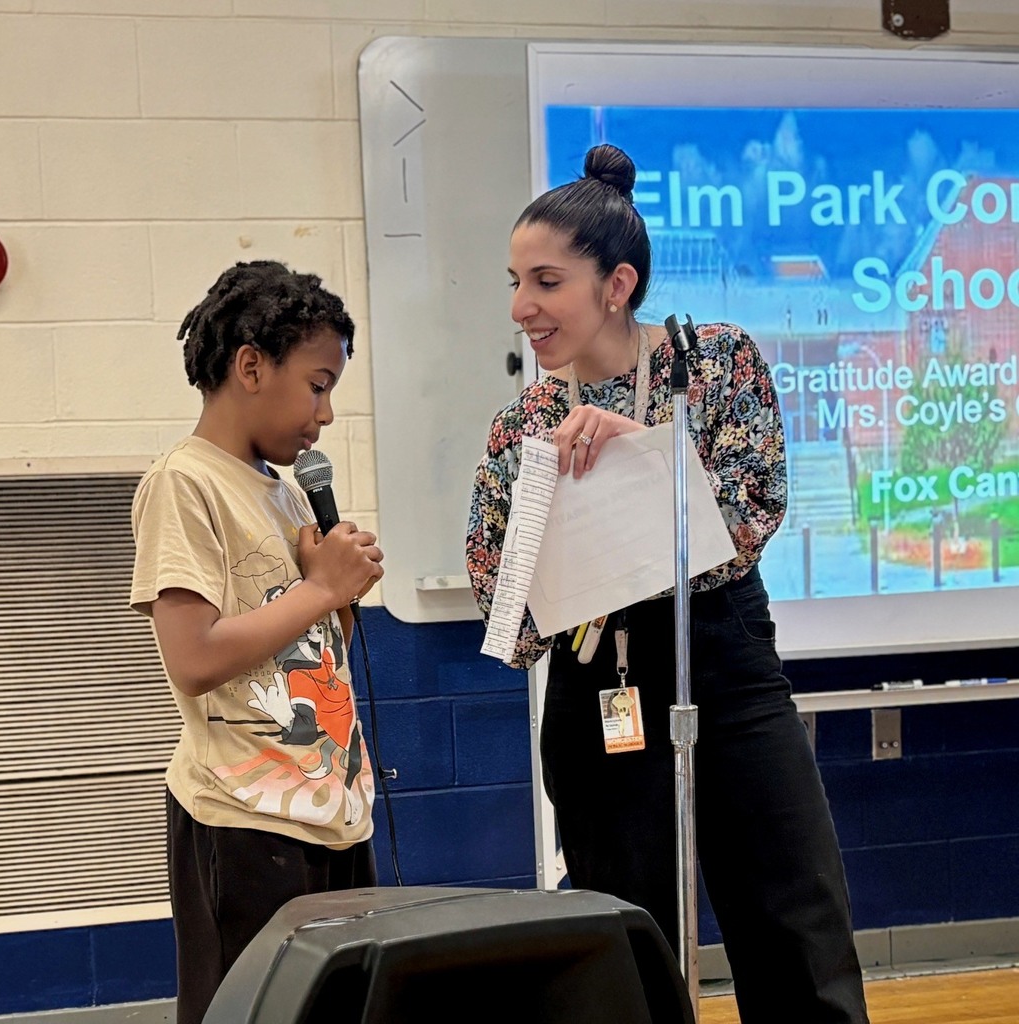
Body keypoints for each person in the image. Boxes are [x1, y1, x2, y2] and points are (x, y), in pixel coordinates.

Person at [465, 145, 869, 1023]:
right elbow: (498, 595)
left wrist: (644, 461)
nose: (521, 308)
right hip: (593, 674)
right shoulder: (526, 421)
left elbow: (753, 511)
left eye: (544, 282)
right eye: (513, 283)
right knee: (623, 937)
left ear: (616, 284)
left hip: (722, 663)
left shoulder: (714, 363)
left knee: (795, 915)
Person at [129, 260, 385, 1024]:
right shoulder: (185, 483)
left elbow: (306, 652)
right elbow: (197, 657)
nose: (327, 413)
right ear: (250, 366)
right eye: (318, 383)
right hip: (244, 821)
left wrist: (333, 596)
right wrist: (318, 590)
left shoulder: (280, 489)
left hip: (329, 810)